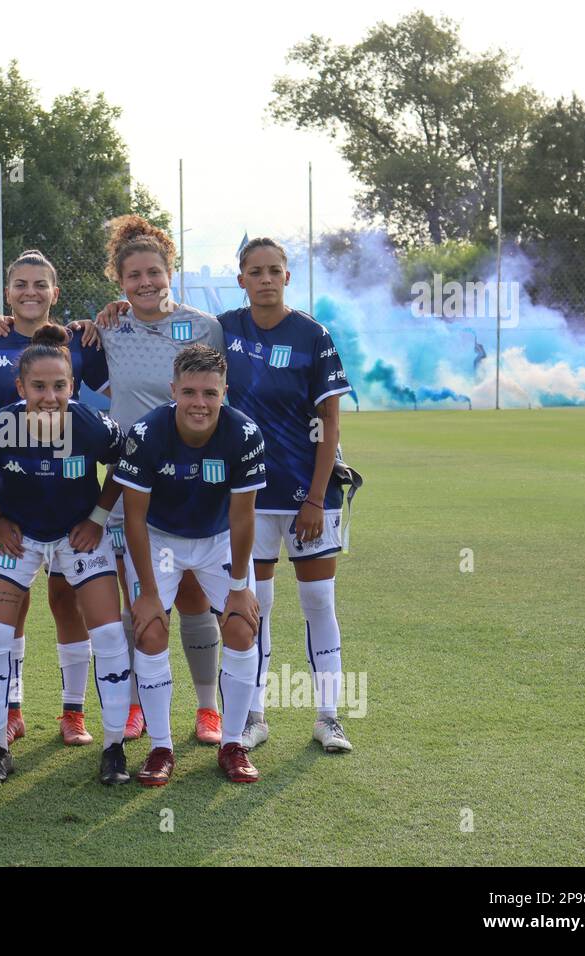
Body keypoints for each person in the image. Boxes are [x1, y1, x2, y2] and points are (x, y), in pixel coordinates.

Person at [0, 325, 134, 783]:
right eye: (38, 386)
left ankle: (113, 747)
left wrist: (98, 516)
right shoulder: (1, 427)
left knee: (109, 636)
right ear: (19, 388)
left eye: (59, 386)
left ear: (72, 386)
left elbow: (127, 463)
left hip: (75, 535)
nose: (49, 396)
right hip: (17, 538)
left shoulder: (92, 425)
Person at [92, 215, 230, 746]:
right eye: (134, 277)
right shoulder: (110, 326)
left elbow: (219, 402)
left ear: (170, 270)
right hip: (133, 483)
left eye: (154, 272)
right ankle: (134, 706)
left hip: (193, 480)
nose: (145, 283)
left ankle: (207, 707)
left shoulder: (202, 327)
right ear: (120, 282)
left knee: (193, 593)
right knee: (138, 596)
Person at [0, 250, 110, 745]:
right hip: (17, 516)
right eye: (20, 284)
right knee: (11, 608)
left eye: (40, 284)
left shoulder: (83, 346)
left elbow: (124, 461)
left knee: (68, 603)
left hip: (72, 519)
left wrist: (98, 515)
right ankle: (11, 706)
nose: (30, 293)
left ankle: (74, 712)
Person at [216, 238, 356, 754]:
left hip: (306, 498)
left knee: (319, 601)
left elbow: (330, 422)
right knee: (258, 605)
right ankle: (254, 715)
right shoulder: (224, 329)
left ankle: (328, 717)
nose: (266, 279)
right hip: (247, 497)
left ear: (288, 277)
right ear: (242, 280)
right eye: (256, 271)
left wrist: (316, 500)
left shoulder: (312, 335)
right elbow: (169, 326)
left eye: (275, 270)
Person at [115, 345, 266, 786]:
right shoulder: (147, 433)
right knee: (149, 630)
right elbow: (135, 517)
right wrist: (146, 593)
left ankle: (233, 743)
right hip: (160, 538)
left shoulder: (244, 434)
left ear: (224, 393)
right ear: (173, 391)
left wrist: (239, 585)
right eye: (189, 392)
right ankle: (161, 748)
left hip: (217, 538)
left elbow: (242, 516)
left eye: (210, 393)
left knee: (240, 625)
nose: (200, 403)